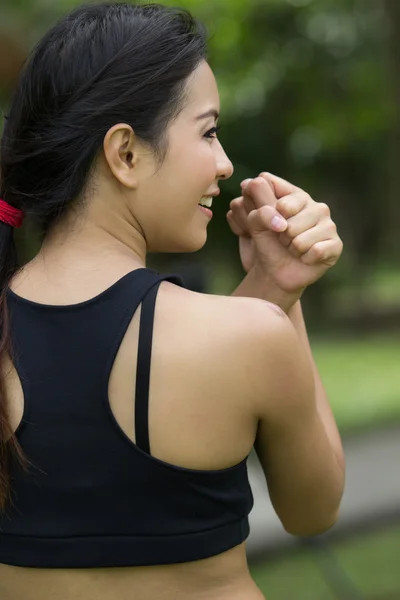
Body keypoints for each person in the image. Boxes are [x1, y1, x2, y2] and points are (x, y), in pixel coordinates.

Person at [0, 3, 345, 599]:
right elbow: (313, 509)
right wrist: (284, 299)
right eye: (208, 132)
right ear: (125, 154)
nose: (224, 163)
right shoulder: (250, 337)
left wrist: (272, 288)